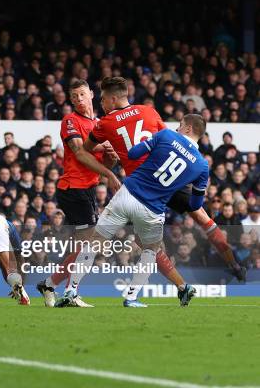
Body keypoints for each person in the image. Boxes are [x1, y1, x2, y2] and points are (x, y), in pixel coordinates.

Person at [62, 114, 209, 308]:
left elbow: (133, 154)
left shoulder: (165, 136)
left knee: (95, 243)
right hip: (153, 209)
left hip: (127, 195)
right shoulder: (202, 165)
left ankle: (71, 291)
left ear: (188, 128)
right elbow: (195, 204)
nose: (177, 129)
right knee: (150, 251)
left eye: (180, 125)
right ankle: (131, 297)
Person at [35, 79, 118, 307]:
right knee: (92, 245)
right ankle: (70, 292)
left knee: (84, 247)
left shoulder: (101, 124)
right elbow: (79, 150)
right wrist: (105, 147)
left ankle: (50, 284)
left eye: (82, 94)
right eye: (74, 97)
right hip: (74, 188)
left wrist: (112, 156)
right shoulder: (70, 120)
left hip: (87, 190)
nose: (79, 100)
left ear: (91, 94)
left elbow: (103, 167)